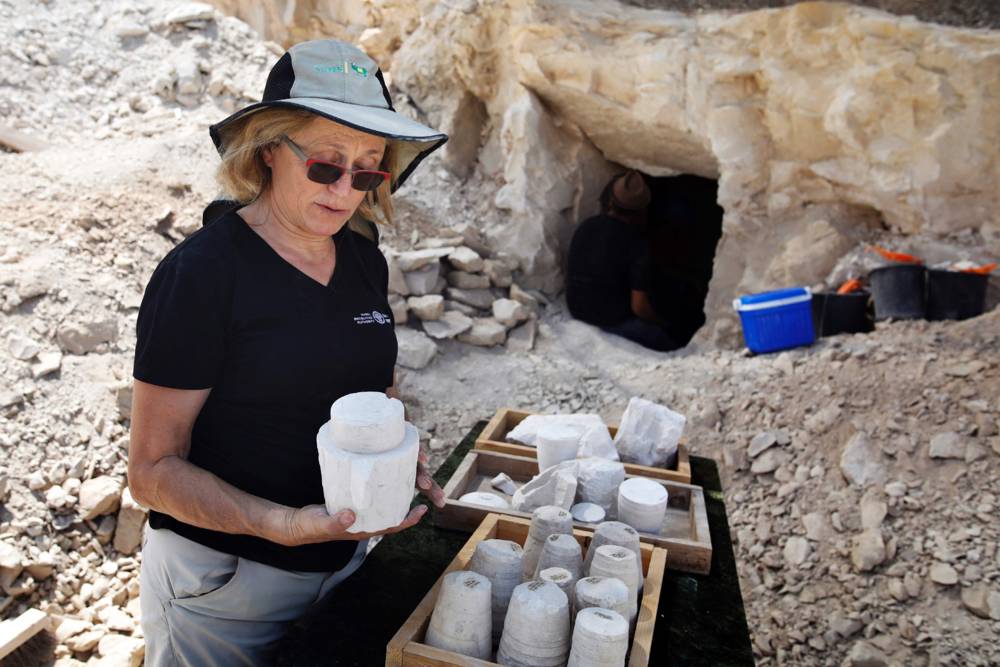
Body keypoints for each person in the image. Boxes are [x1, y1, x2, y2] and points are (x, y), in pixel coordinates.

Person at [128, 39, 448, 666]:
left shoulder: (362, 258)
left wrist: (389, 453)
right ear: (269, 149)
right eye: (326, 165)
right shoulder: (203, 275)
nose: (345, 189)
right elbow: (152, 473)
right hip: (226, 586)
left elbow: (366, 387)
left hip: (342, 564)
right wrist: (285, 524)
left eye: (368, 171)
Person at [566, 170, 680, 351]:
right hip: (612, 321)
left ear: (610, 201)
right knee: (668, 342)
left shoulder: (587, 226)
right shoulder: (636, 243)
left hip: (577, 311)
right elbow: (639, 307)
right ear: (641, 211)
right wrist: (660, 321)